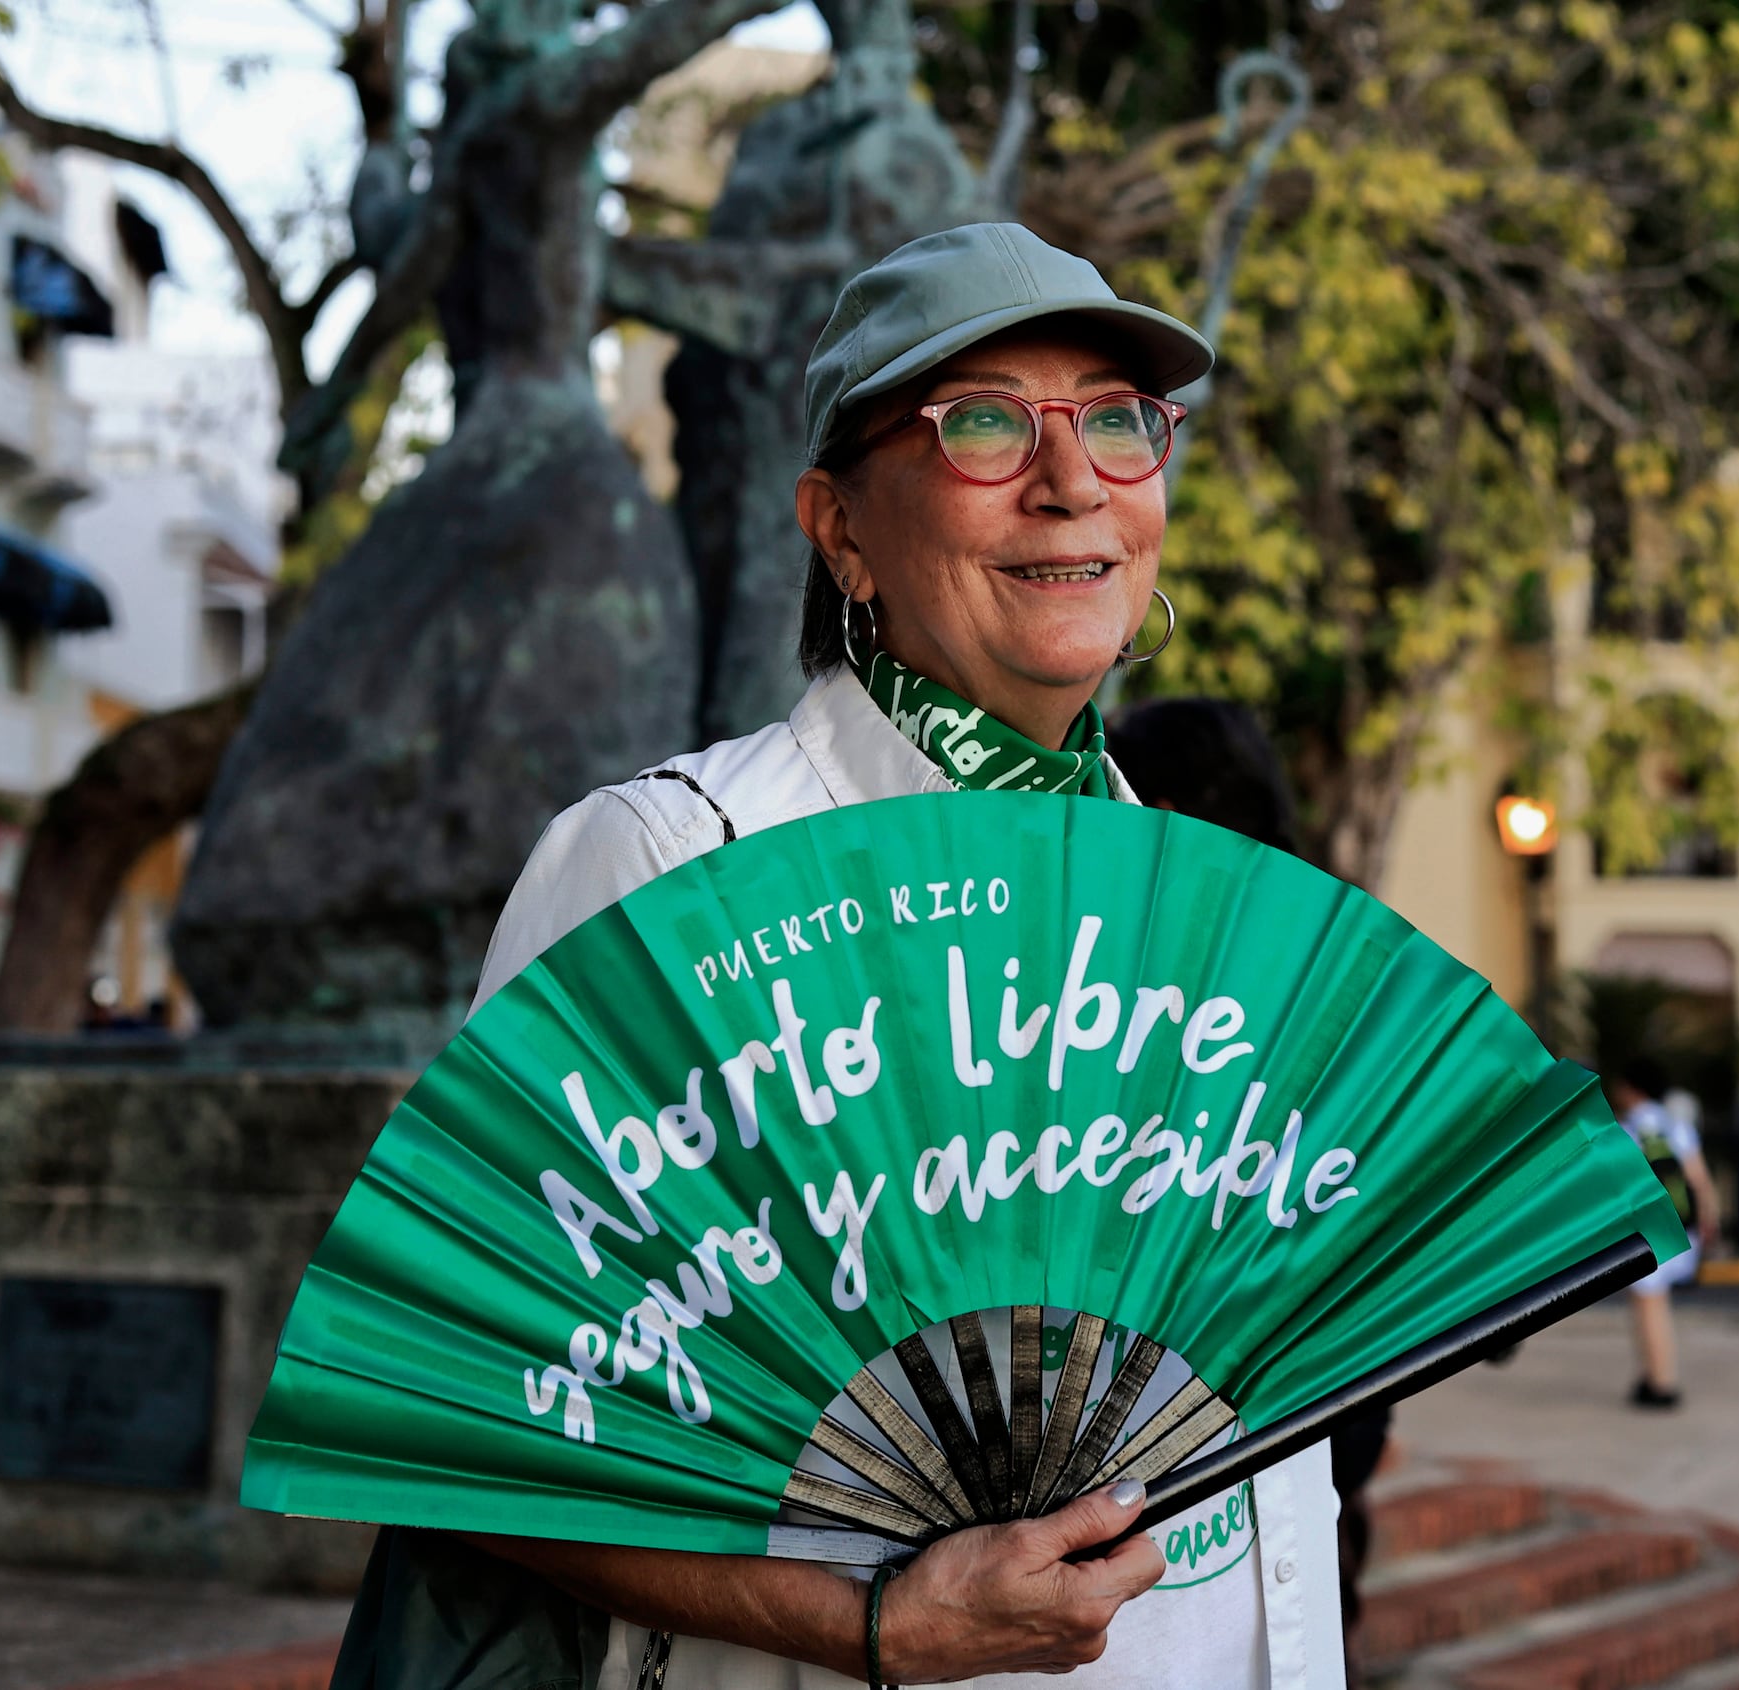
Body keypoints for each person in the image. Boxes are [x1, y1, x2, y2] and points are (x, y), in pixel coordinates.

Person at [330, 226, 1343, 1690]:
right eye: (983, 423)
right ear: (840, 526)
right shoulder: (671, 868)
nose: (1073, 481)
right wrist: (875, 1625)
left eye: (1119, 421)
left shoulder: (1215, 908)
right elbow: (469, 1417)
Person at [1107, 698, 1389, 1688]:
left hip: (1216, 1418)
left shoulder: (1156, 977)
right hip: (1328, 1398)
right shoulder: (1337, 954)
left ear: (1165, 810)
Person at [1609, 1060, 1719, 1411]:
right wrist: (1708, 1221)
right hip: (1681, 1228)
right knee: (1656, 1304)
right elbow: (1698, 1178)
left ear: (1631, 1088)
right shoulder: (1676, 1125)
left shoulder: (1626, 1128)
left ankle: (1661, 1383)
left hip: (1648, 1232)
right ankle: (1653, 1375)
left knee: (1650, 1307)